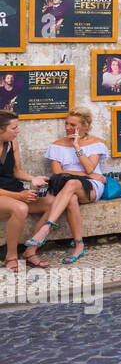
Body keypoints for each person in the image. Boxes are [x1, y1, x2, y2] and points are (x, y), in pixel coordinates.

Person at [24, 107, 107, 264]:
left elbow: (89, 167)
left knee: (72, 182)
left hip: (91, 187)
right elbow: (58, 173)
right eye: (67, 124)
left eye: (73, 125)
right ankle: (78, 245)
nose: (68, 128)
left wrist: (77, 147)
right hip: (66, 186)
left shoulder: (97, 144)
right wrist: (86, 174)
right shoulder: (57, 146)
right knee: (71, 197)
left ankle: (45, 228)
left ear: (86, 125)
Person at [0, 112, 55, 272]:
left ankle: (30, 252)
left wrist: (32, 179)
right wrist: (19, 196)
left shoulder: (11, 142)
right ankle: (11, 257)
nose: (18, 131)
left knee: (52, 203)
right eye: (14, 128)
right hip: (5, 196)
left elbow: (17, 171)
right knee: (20, 208)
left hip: (13, 190)